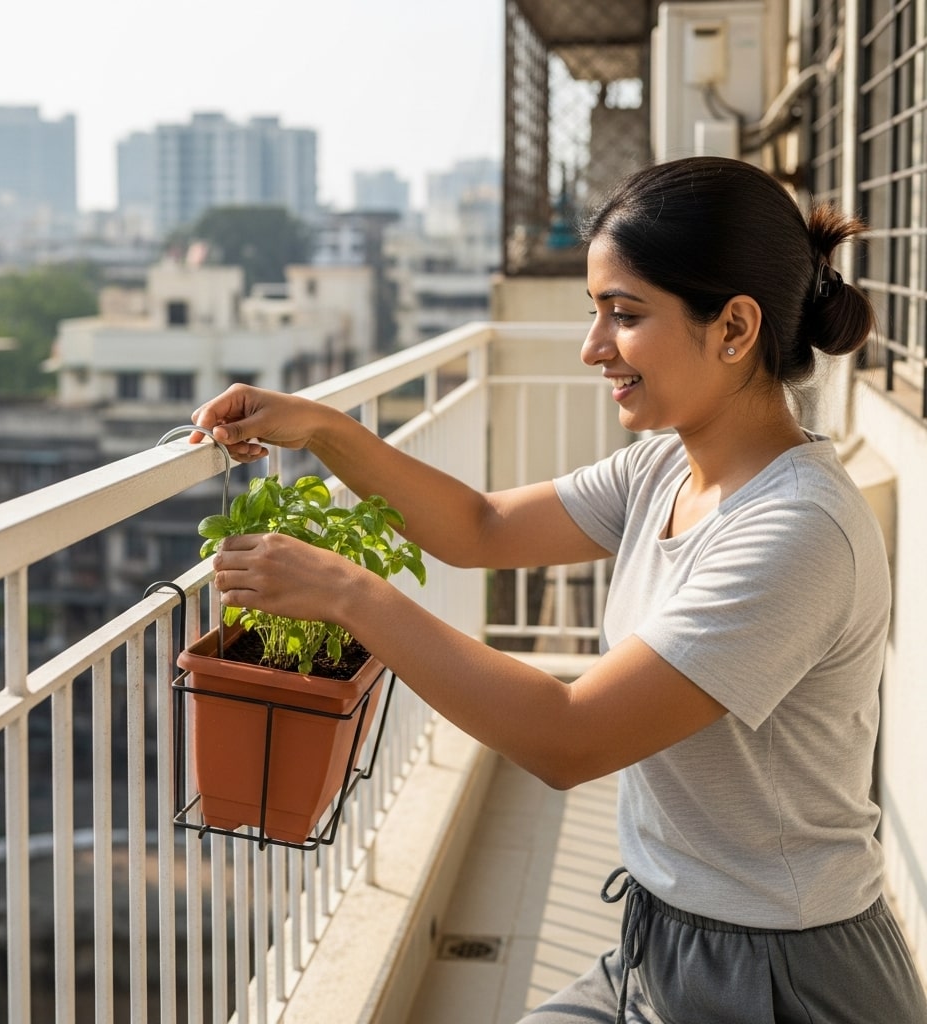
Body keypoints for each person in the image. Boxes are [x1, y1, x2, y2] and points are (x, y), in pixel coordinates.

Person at [191, 156, 927, 1023]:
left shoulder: (798, 532)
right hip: (661, 941)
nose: (592, 347)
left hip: (781, 978)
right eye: (594, 313)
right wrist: (322, 427)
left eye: (625, 314)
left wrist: (350, 596)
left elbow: (568, 738)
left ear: (733, 328)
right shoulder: (667, 465)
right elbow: (482, 528)